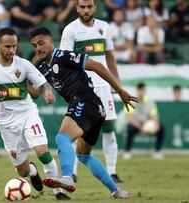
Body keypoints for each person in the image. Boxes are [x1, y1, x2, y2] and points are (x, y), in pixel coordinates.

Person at [29, 27, 137, 199]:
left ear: (51, 41)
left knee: (62, 138)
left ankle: (66, 177)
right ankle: (116, 191)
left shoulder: (64, 56)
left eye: (41, 43)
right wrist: (19, 81)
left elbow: (97, 66)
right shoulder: (42, 67)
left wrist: (119, 90)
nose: (38, 48)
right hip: (94, 109)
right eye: (34, 45)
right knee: (83, 155)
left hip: (86, 102)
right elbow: (35, 93)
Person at [0, 27, 70, 200]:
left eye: (14, 46)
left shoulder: (23, 64)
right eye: (7, 46)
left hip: (28, 115)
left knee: (43, 152)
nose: (11, 50)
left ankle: (58, 192)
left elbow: (42, 81)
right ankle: (32, 171)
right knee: (22, 171)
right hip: (7, 124)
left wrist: (47, 91)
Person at [60, 0, 122, 183]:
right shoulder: (70, 30)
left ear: (95, 8)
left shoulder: (104, 27)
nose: (86, 10)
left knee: (109, 127)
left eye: (89, 7)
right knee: (76, 128)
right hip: (83, 87)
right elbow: (64, 61)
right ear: (77, 8)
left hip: (103, 85)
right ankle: (72, 171)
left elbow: (110, 55)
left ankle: (112, 171)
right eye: (82, 7)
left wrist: (116, 82)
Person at [123, 82, 165, 160]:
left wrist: (155, 124)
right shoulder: (130, 101)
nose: (142, 92)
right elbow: (130, 118)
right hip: (135, 125)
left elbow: (154, 116)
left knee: (161, 128)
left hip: (147, 124)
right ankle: (127, 151)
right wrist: (141, 127)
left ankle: (157, 151)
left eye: (143, 90)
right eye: (141, 90)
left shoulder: (150, 102)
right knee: (129, 129)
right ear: (137, 90)